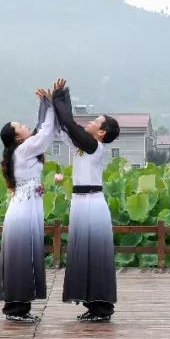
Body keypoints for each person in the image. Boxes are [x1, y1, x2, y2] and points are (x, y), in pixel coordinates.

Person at [52, 80, 121, 321]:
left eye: (95, 122)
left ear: (101, 132)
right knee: (83, 254)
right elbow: (66, 127)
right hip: (81, 203)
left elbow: (71, 123)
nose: (89, 122)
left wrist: (59, 97)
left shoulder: (95, 147)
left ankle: (102, 307)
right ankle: (93, 305)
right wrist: (59, 97)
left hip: (92, 203)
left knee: (96, 255)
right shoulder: (84, 146)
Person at [0, 83, 58, 323]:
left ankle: (18, 307)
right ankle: (16, 309)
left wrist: (44, 104)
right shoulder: (23, 151)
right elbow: (44, 134)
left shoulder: (21, 152)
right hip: (23, 211)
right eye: (20, 126)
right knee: (21, 257)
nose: (25, 127)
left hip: (26, 207)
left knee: (23, 257)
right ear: (17, 137)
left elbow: (38, 129)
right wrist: (50, 106)